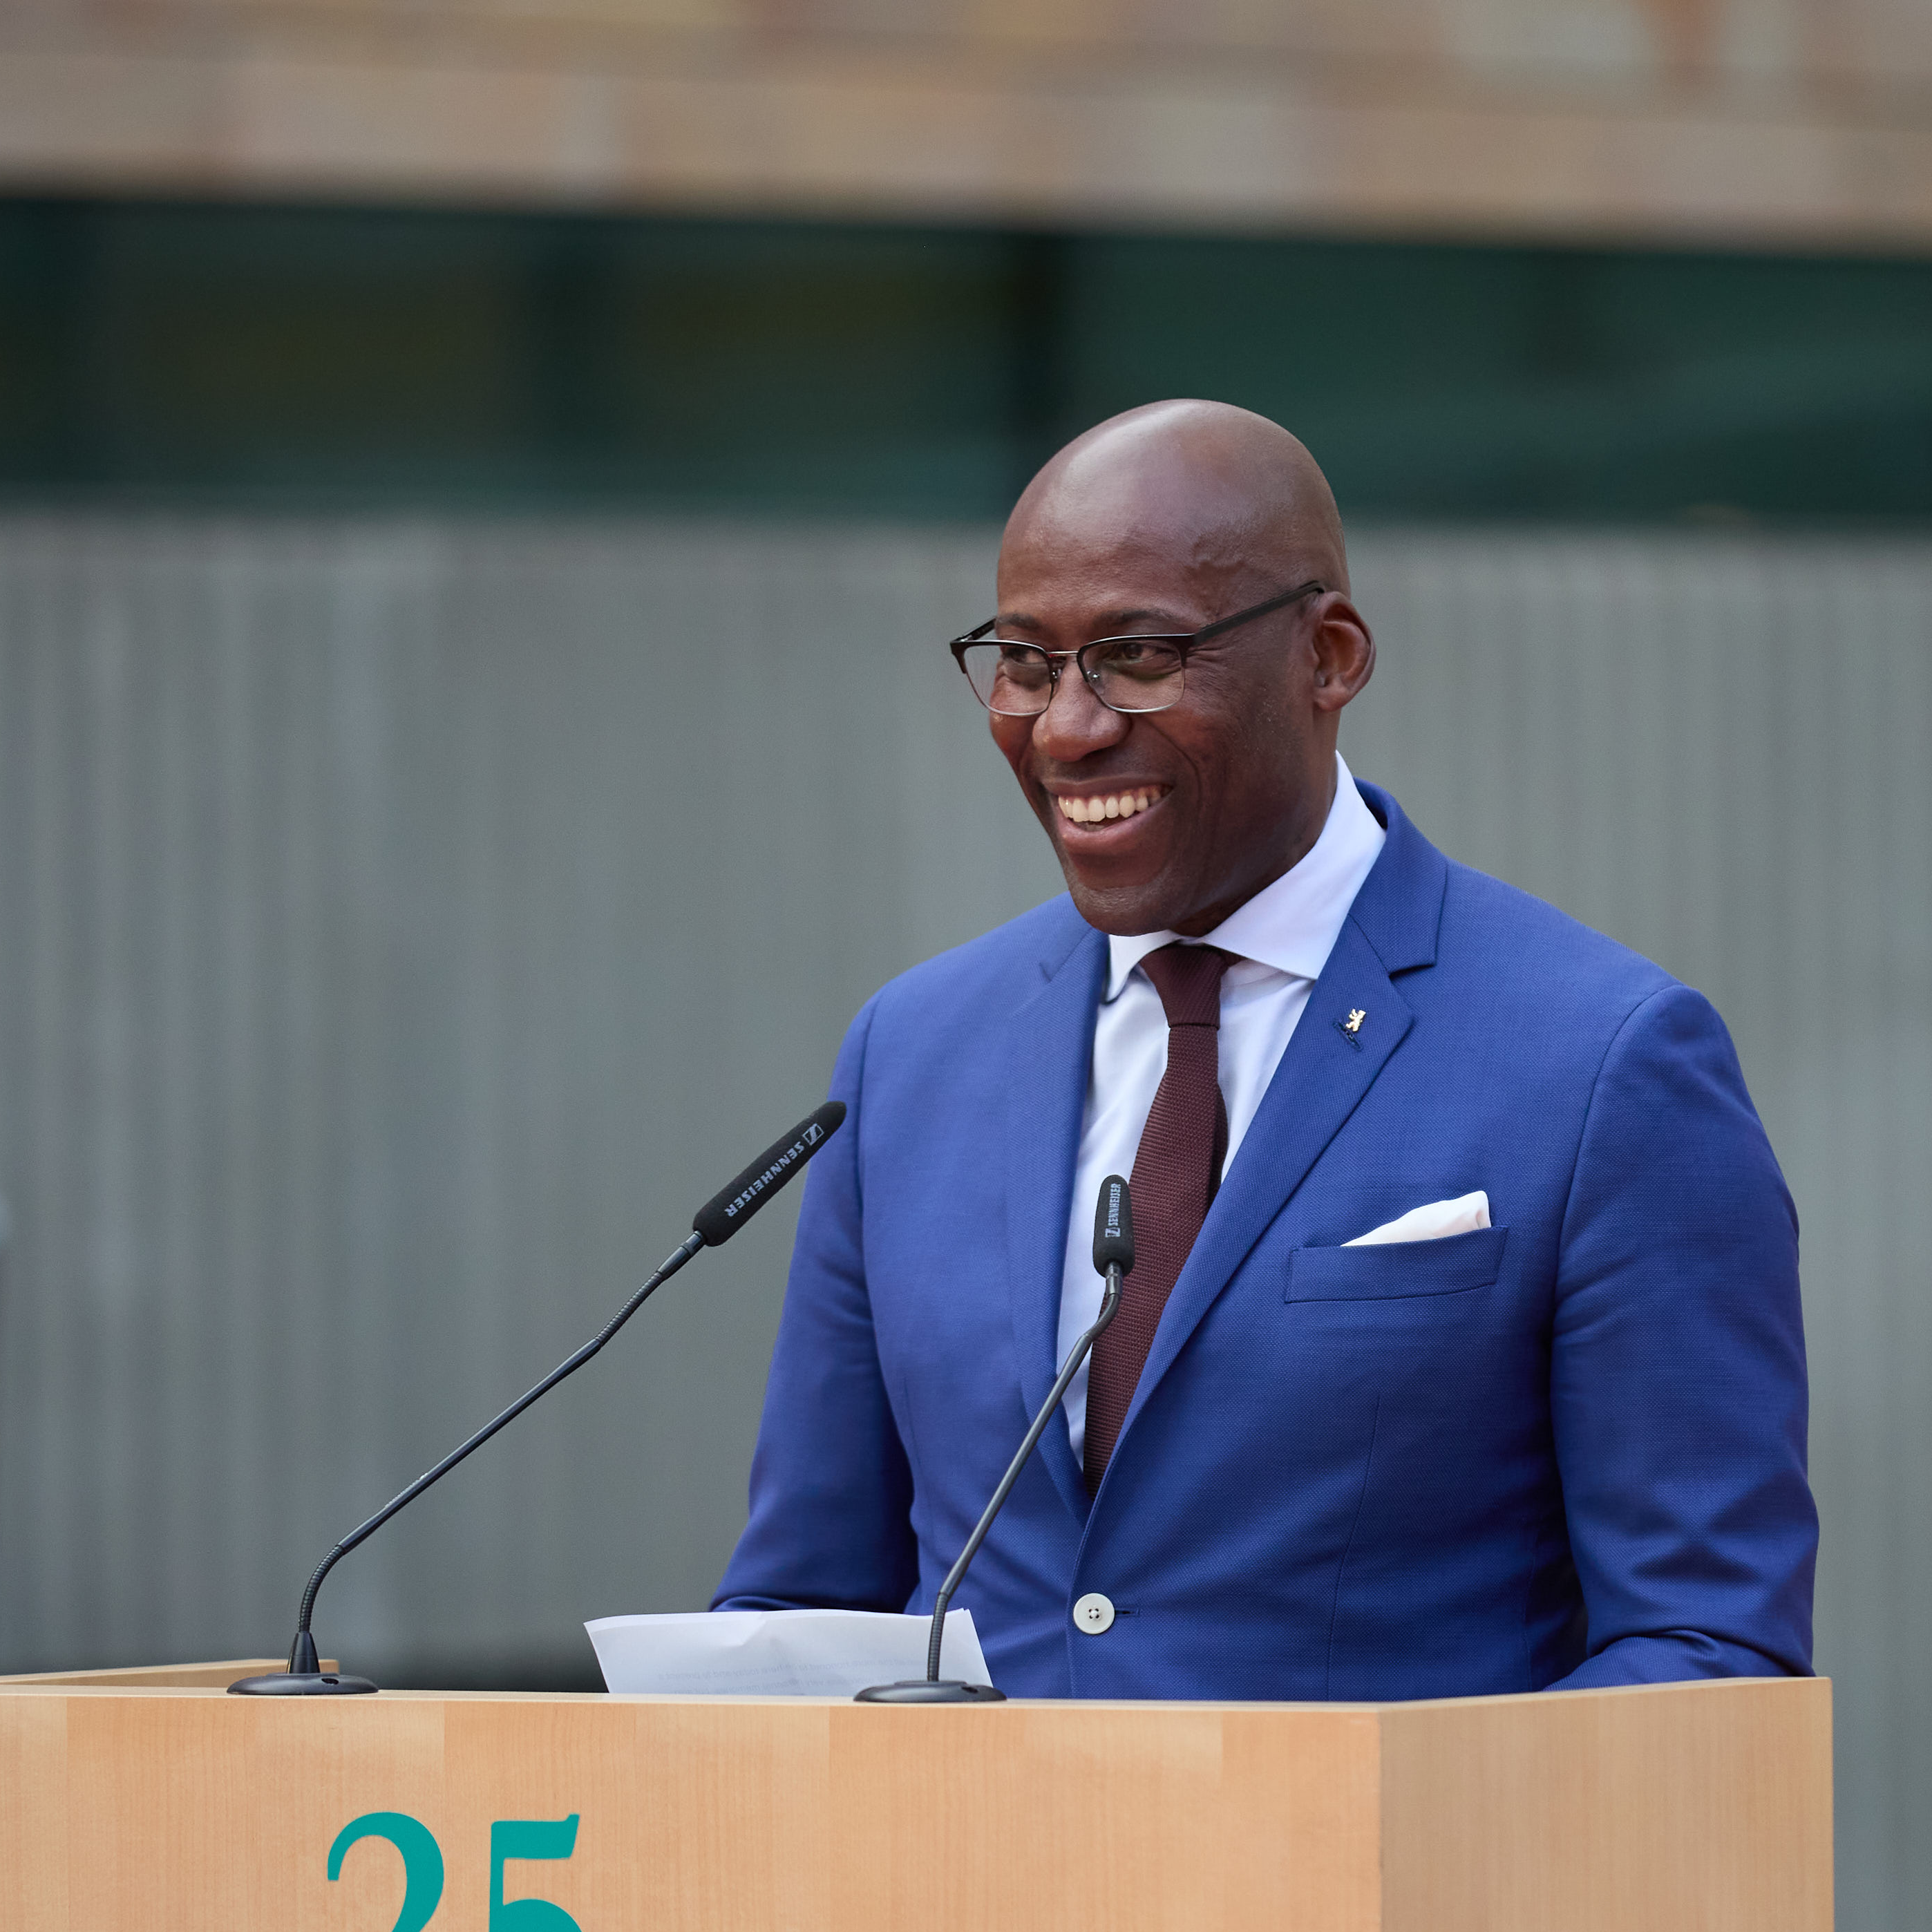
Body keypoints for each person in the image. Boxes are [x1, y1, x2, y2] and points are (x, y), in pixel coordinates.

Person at [713, 399, 1814, 1700]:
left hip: (1388, 1844)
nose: (1065, 728)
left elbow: (1705, 1655)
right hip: (966, 1844)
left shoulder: (1603, 1062)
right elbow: (805, 1611)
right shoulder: (911, 1053)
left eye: (1135, 655)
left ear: (1327, 657)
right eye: (1024, 661)